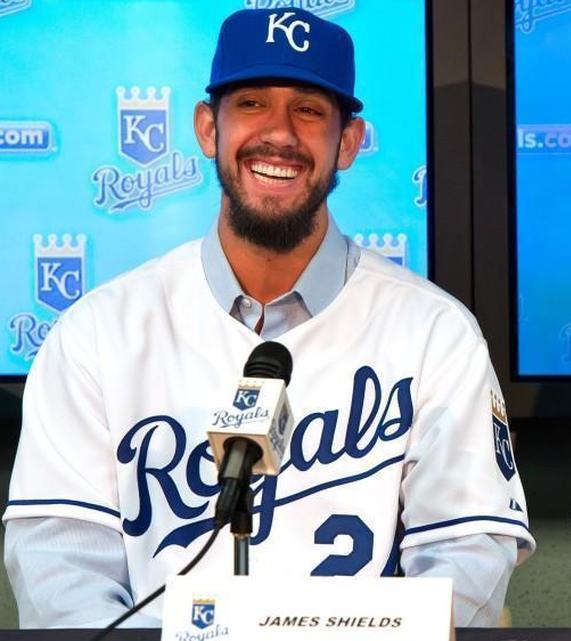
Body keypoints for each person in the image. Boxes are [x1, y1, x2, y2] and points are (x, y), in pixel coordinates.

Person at [3, 8, 532, 628]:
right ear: (208, 129)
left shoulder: (436, 334)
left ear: (349, 142)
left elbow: (465, 559)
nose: (278, 133)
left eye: (308, 110)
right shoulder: (97, 334)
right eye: (251, 103)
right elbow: (60, 567)